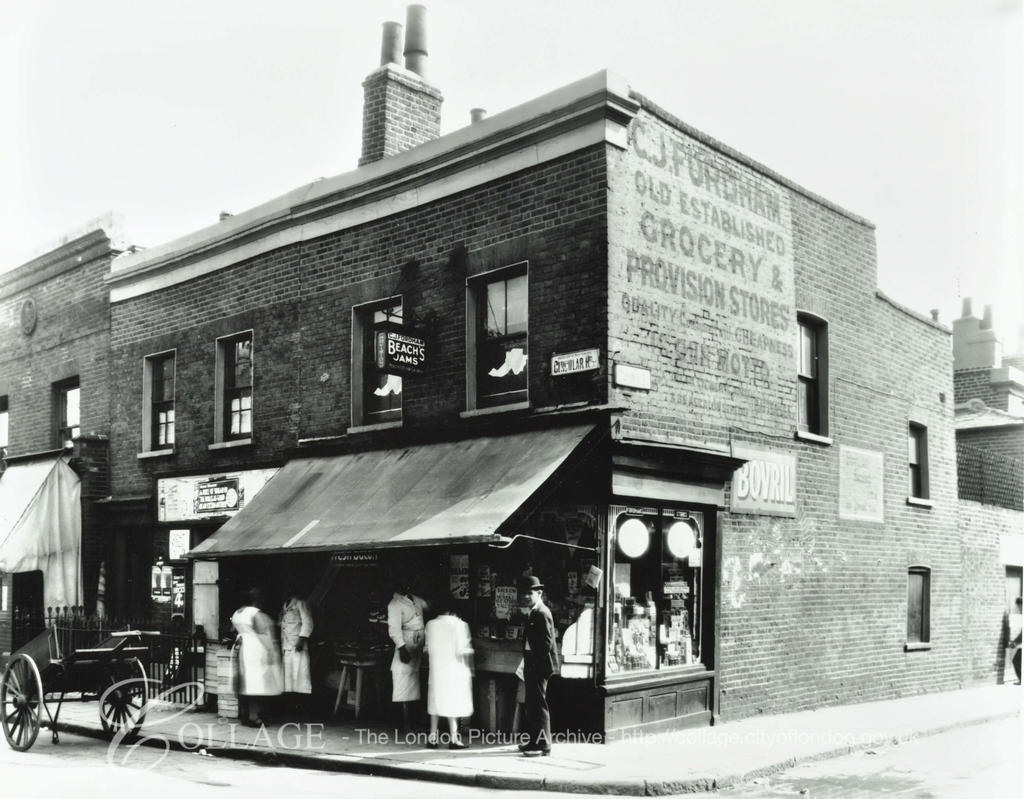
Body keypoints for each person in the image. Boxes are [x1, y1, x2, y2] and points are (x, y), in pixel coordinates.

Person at [424, 597, 474, 749]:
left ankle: (432, 738)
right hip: (454, 670)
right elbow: (460, 650)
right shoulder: (460, 625)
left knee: (435, 703)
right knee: (453, 704)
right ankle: (454, 739)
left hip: (436, 670)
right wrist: (471, 649)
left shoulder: (430, 624)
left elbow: (426, 649)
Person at [231, 588, 283, 726]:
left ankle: (245, 715)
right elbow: (263, 635)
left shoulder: (237, 613)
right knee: (260, 683)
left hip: (242, 647)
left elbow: (234, 630)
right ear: (257, 599)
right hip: (256, 649)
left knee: (244, 682)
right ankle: (259, 717)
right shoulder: (256, 614)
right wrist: (271, 652)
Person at [519, 576, 559, 756]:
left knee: (539, 705)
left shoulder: (542, 613)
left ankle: (544, 744)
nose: (526, 597)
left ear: (539, 593)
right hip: (532, 663)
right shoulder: (534, 611)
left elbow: (546, 644)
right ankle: (534, 742)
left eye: (530, 593)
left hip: (539, 665)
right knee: (532, 704)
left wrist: (535, 664)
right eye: (524, 593)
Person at [387, 575, 429, 732]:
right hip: (405, 645)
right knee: (403, 682)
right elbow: (393, 629)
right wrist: (401, 648)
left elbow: (427, 606)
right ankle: (406, 724)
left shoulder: (416, 599)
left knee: (418, 681)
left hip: (418, 646)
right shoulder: (395, 604)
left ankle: (418, 721)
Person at [279, 587, 314, 713]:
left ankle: (302, 707)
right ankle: (291, 706)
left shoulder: (301, 603)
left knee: (300, 676)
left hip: (297, 645)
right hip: (286, 646)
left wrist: (302, 639)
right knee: (288, 678)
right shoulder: (285, 605)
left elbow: (308, 622)